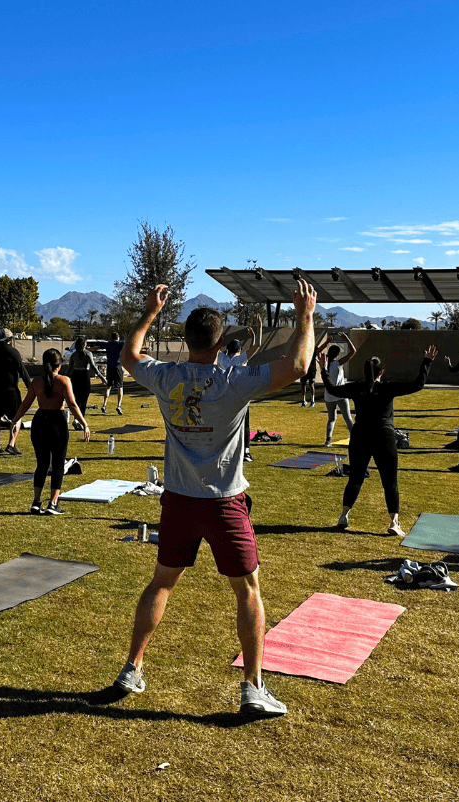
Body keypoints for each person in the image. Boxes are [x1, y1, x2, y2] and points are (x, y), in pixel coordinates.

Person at [111, 278, 316, 717]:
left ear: (186, 340)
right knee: (248, 591)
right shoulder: (233, 379)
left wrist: (149, 314)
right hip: (224, 502)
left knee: (161, 582)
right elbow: (297, 366)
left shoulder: (165, 375)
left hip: (179, 501)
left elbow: (128, 356)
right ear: (222, 342)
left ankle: (132, 667)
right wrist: (304, 317)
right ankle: (253, 687)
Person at [322, 347, 437, 536]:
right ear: (382, 371)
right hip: (383, 435)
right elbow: (418, 384)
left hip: (360, 435)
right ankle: (394, 522)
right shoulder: (387, 387)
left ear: (365, 372)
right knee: (390, 481)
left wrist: (323, 369)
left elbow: (332, 389)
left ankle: (343, 517)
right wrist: (427, 361)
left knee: (355, 478)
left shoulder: (357, 387)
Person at [11, 348, 91, 514]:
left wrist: (15, 420)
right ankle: (53, 503)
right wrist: (84, 423)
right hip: (57, 422)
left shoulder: (36, 382)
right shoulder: (64, 380)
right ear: (59, 365)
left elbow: (25, 404)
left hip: (40, 422)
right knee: (58, 465)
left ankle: (36, 501)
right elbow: (73, 404)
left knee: (42, 464)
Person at [217, 316, 264, 461]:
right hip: (242, 396)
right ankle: (246, 452)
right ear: (239, 350)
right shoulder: (240, 359)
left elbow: (216, 348)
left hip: (225, 396)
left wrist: (218, 334)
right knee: (245, 424)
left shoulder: (223, 359)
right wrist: (258, 329)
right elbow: (256, 347)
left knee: (226, 425)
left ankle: (225, 451)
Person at [0, 327, 32, 456]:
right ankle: (11, 444)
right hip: (10, 390)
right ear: (9, 339)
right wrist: (31, 388)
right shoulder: (13, 352)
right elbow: (22, 371)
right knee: (17, 417)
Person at [318, 332, 357, 446]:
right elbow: (353, 352)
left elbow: (317, 352)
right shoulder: (338, 363)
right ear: (337, 354)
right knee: (348, 418)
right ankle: (355, 439)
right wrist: (346, 339)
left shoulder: (324, 364)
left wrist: (326, 342)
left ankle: (328, 440)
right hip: (340, 395)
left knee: (331, 419)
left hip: (329, 396)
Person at [65, 336, 103, 430]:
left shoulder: (74, 355)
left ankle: (76, 419)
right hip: (84, 376)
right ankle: (80, 420)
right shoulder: (88, 353)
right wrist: (101, 377)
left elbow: (69, 368)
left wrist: (65, 378)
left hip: (75, 376)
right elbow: (93, 367)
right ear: (84, 345)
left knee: (76, 399)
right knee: (84, 400)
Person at [100, 331, 127, 415]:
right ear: (118, 337)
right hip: (118, 366)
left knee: (108, 386)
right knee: (120, 387)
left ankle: (104, 405)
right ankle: (118, 406)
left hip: (109, 367)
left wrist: (88, 349)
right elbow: (130, 346)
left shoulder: (108, 344)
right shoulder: (120, 343)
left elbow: (97, 347)